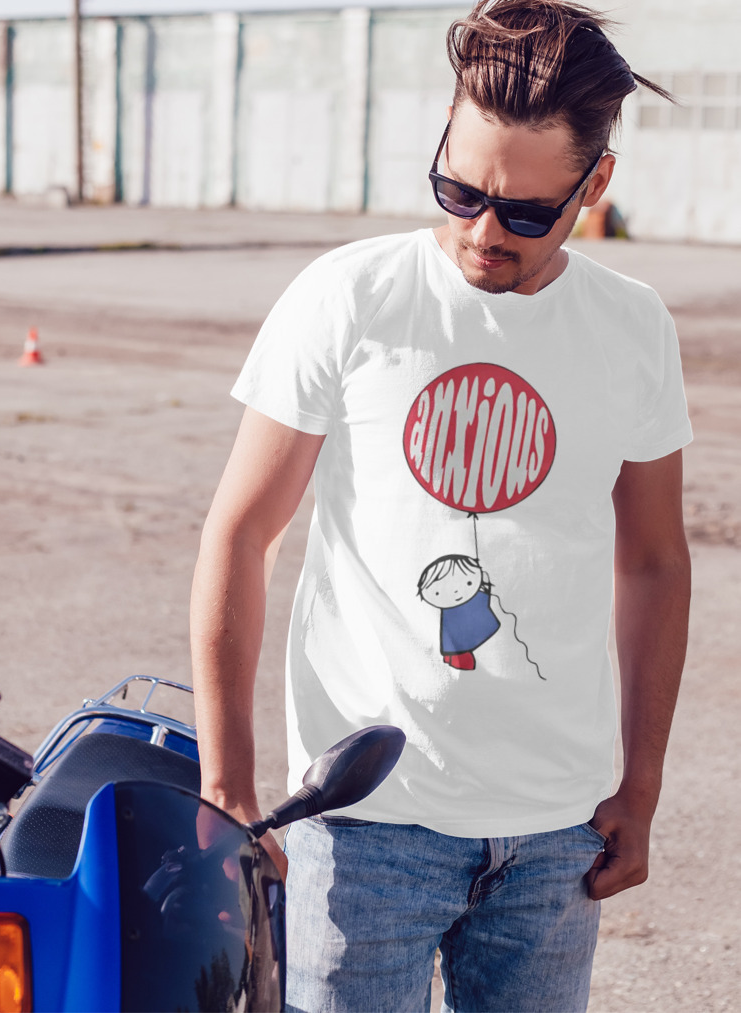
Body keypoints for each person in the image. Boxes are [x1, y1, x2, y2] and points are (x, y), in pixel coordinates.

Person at [190, 2, 692, 1010]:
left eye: (524, 213)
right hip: (364, 819)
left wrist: (640, 785)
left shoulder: (632, 328)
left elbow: (653, 560)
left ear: (595, 186)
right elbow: (242, 532)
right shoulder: (351, 298)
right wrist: (229, 779)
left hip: (557, 835)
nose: (480, 230)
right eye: (458, 188)